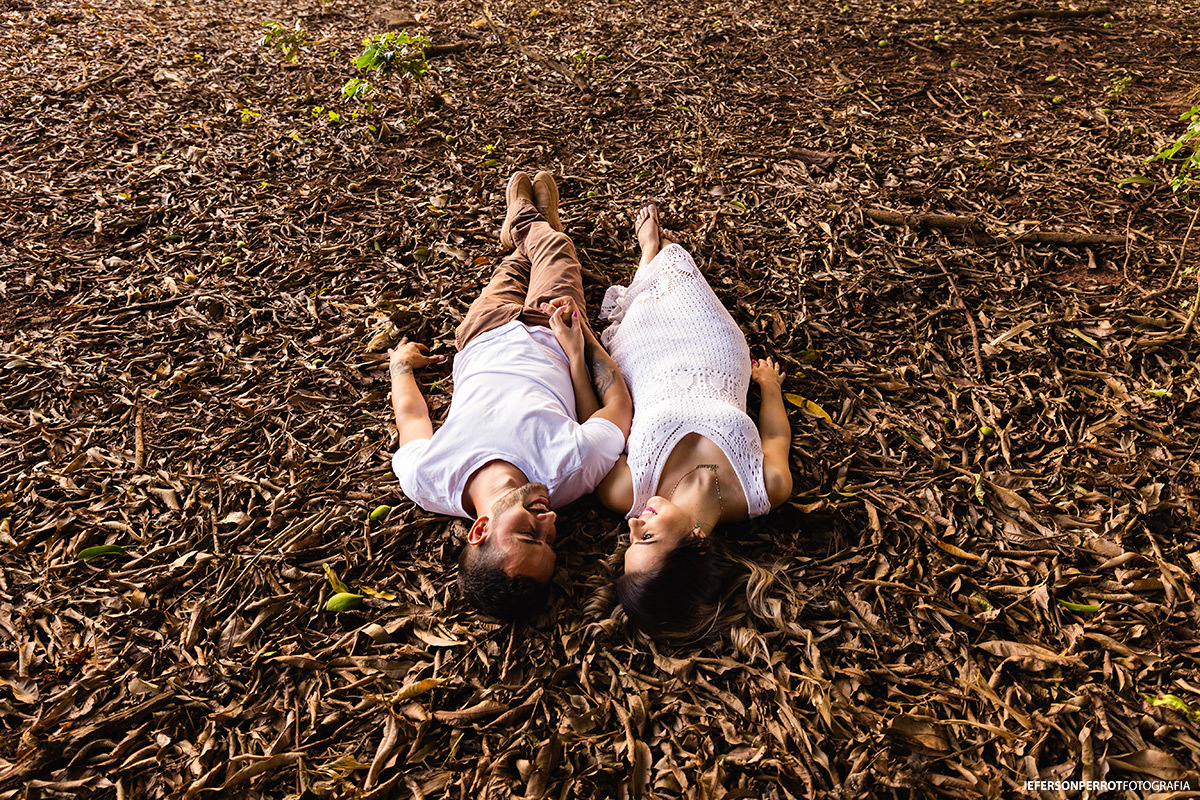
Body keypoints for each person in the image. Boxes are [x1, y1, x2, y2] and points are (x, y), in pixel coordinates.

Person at [388, 171, 632, 620]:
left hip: (481, 332)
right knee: (555, 251)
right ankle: (533, 222)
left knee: (513, 267)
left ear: (480, 529)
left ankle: (525, 222)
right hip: (550, 329)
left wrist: (400, 368)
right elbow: (619, 408)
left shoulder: (428, 480)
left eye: (529, 535)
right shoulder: (569, 472)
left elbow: (412, 420)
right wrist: (581, 335)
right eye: (551, 539)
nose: (550, 522)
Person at [594, 203, 794, 640]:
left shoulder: (626, 492)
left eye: (631, 540)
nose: (632, 525)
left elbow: (600, 420)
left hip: (644, 360)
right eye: (645, 539)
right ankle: (652, 256)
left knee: (658, 280)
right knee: (679, 261)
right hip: (716, 349)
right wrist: (769, 387)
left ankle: (647, 256)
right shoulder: (766, 489)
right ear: (698, 543)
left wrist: (583, 353)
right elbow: (776, 435)